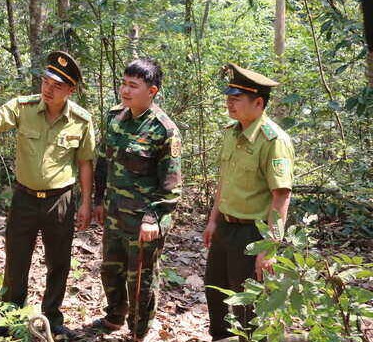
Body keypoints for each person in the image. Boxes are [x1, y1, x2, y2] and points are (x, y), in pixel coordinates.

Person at [0, 51, 95, 339]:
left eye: (58, 86)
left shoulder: (80, 120)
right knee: (16, 259)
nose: (49, 89)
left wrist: (86, 202)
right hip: (25, 198)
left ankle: (52, 316)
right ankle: (10, 316)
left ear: (71, 90)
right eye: (46, 82)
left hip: (60, 201)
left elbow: (85, 163)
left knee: (59, 262)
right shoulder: (23, 107)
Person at [90, 58, 182, 342]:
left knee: (141, 279)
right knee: (111, 269)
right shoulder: (114, 117)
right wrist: (98, 200)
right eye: (123, 84)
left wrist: (152, 218)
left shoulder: (164, 130)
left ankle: (138, 331)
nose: (125, 91)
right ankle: (114, 316)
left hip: (145, 220)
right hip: (115, 212)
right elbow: (103, 161)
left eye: (133, 86)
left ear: (152, 91)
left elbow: (171, 185)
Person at [203, 63, 294, 341]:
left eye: (237, 98)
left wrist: (269, 248)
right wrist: (212, 221)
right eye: (229, 96)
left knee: (249, 310)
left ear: (258, 103)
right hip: (225, 230)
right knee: (216, 294)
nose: (230, 102)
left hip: (252, 234)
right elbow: (225, 182)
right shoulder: (232, 133)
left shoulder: (273, 140)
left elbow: (281, 196)